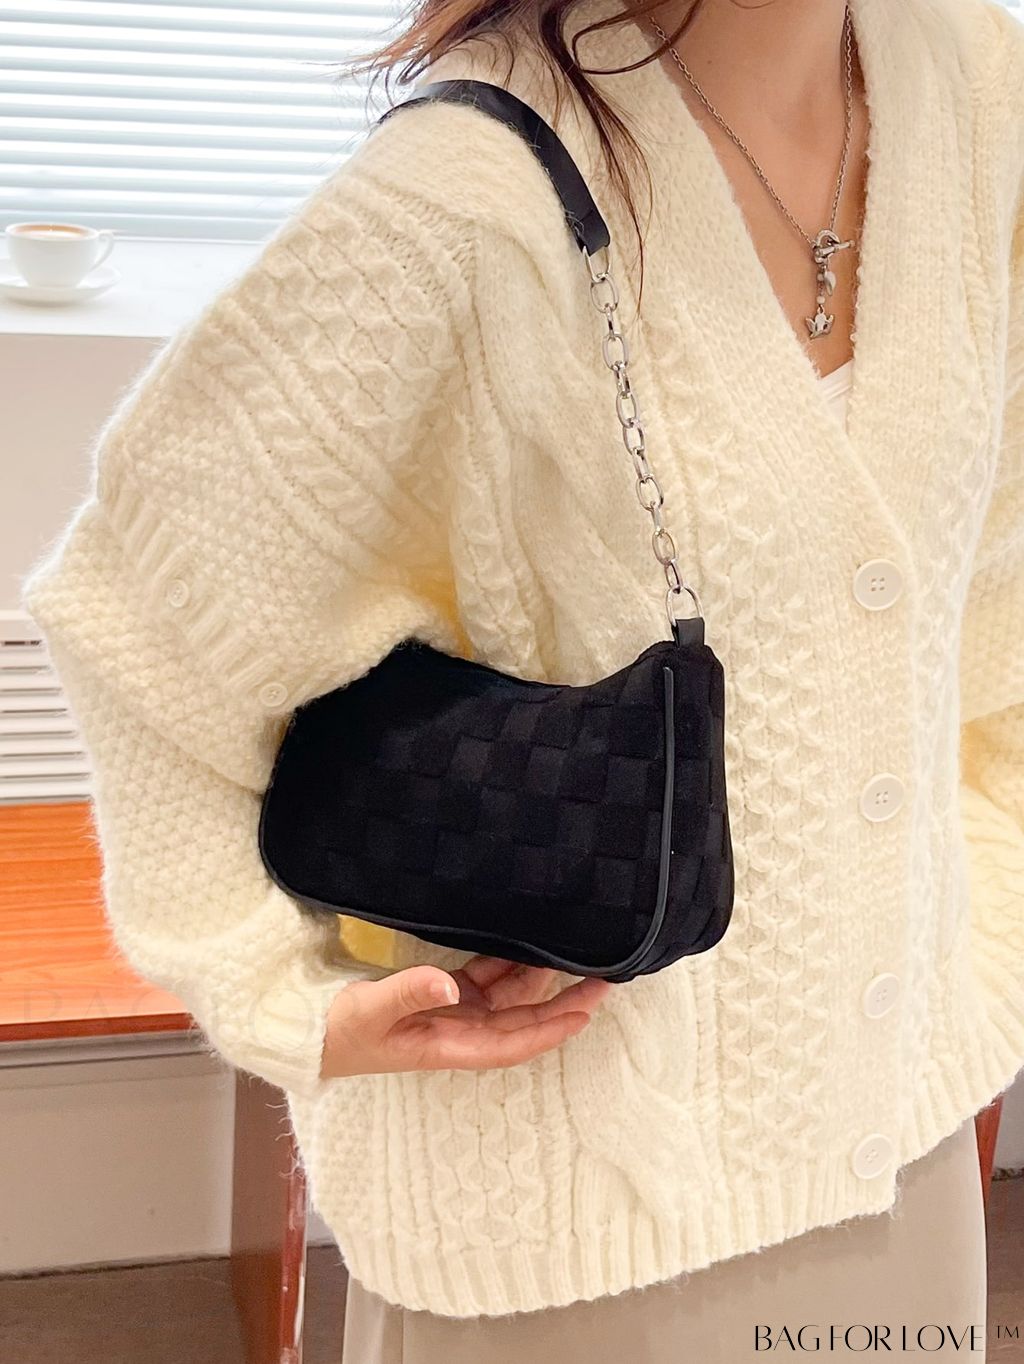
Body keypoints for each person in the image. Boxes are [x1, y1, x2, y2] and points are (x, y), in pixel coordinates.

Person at [20, 0, 1023, 1357]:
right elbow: (143, 621)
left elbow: (992, 606)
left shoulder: (977, 92)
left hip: (907, 1164)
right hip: (556, 1241)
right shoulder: (460, 203)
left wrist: (985, 923)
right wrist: (280, 994)